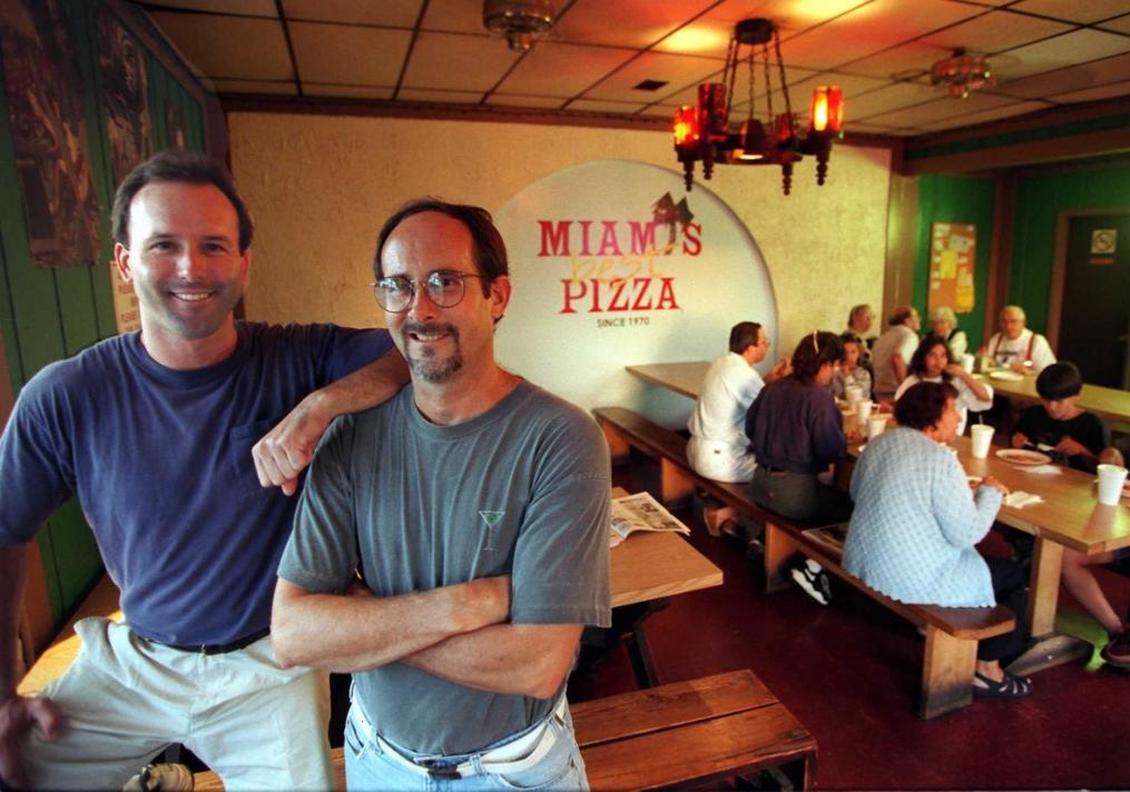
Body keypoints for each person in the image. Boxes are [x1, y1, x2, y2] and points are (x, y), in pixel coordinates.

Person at [0, 150, 410, 788]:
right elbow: (6, 528)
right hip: (134, 656)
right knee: (15, 768)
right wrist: (3, 691)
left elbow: (411, 349)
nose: (191, 267)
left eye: (214, 246)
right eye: (163, 244)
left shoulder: (295, 356)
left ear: (243, 265)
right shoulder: (66, 394)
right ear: (124, 262)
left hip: (269, 663)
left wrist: (320, 406)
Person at [272, 199, 612, 789]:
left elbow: (538, 662)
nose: (419, 309)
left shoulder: (562, 437)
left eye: (444, 282)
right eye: (398, 286)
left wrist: (364, 623)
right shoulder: (351, 433)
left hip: (513, 770)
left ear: (497, 296)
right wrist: (469, 605)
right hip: (376, 760)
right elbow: (295, 633)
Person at [842, 382, 1033, 698]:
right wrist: (989, 493)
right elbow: (967, 534)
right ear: (931, 417)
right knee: (1014, 576)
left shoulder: (880, 442)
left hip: (866, 557)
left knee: (987, 568)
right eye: (952, 410)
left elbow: (855, 492)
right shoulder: (940, 460)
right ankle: (988, 669)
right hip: (906, 575)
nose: (959, 418)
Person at [1009, 362, 1130, 670]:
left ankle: (1120, 631)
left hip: (1090, 513)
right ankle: (1024, 597)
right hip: (1049, 496)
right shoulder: (1034, 415)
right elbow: (1114, 457)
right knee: (1026, 529)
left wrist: (1085, 452)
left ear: (1076, 395)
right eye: (1047, 399)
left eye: (1060, 400)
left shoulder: (1092, 424)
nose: (1052, 407)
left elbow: (1107, 465)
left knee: (1060, 553)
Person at [747, 331, 852, 604]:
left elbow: (750, 427)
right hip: (793, 496)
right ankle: (811, 565)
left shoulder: (773, 388)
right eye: (835, 365)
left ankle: (761, 537)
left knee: (822, 494)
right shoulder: (818, 399)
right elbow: (830, 451)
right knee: (851, 507)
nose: (835, 371)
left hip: (758, 483)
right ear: (825, 364)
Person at [687, 322, 790, 535]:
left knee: (765, 462)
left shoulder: (722, 363)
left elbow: (751, 396)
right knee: (780, 477)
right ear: (750, 348)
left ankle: (730, 514)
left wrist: (770, 379)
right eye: (764, 342)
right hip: (717, 459)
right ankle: (726, 514)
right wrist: (786, 382)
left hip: (696, 448)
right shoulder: (745, 375)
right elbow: (772, 411)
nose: (767, 346)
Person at [895, 335, 992, 434]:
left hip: (952, 437)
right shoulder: (913, 380)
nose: (938, 361)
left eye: (943, 356)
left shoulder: (955, 381)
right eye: (932, 355)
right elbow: (900, 409)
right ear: (923, 358)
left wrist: (963, 374)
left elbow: (985, 398)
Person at [981, 304, 1056, 373]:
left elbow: (1050, 373)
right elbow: (988, 366)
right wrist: (983, 359)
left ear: (1023, 322)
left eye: (1013, 321)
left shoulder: (1037, 341)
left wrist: (1030, 372)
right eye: (1004, 322)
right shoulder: (996, 339)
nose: (1008, 326)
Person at [870, 306, 920, 403]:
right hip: (897, 391)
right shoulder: (910, 335)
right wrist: (905, 387)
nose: (919, 319)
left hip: (879, 391)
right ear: (907, 321)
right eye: (916, 316)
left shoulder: (882, 337)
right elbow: (897, 358)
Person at [830, 332, 872, 402]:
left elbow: (859, 397)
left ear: (859, 354)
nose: (849, 357)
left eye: (853, 352)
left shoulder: (864, 374)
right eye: (845, 352)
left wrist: (847, 376)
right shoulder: (834, 372)